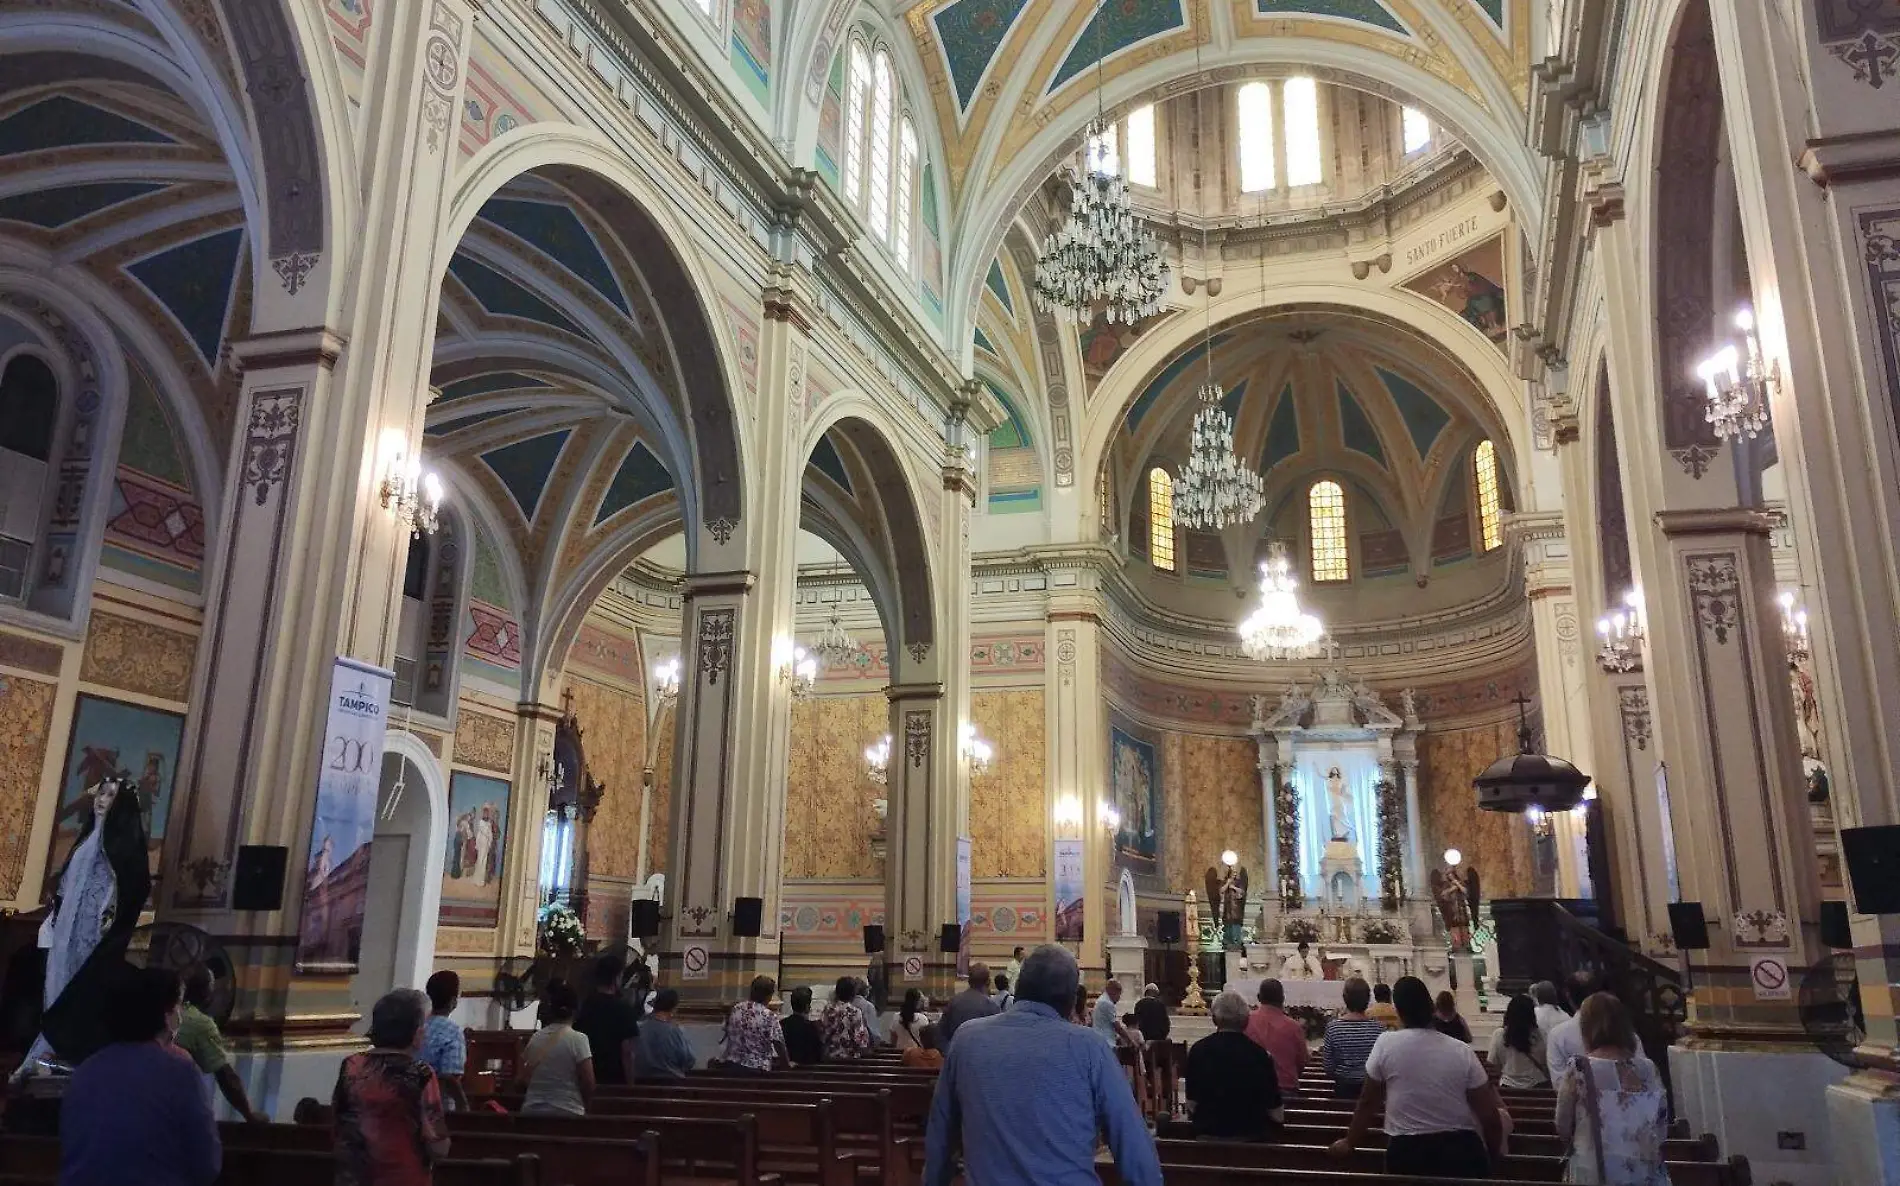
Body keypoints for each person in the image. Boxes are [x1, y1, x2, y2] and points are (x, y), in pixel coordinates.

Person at [922, 944, 1162, 1186]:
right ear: (1071, 1002)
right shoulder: (1091, 1048)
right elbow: (1135, 1151)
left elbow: (940, 1139)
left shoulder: (966, 1040)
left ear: (1018, 988)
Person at [23, 778, 152, 1076]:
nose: (101, 800)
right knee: (58, 982)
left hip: (93, 934)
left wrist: (107, 918)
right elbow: (68, 885)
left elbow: (130, 887)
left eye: (110, 795)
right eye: (101, 793)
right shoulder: (85, 841)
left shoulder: (122, 847)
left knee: (81, 986)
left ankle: (72, 1054)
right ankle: (48, 1051)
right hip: (68, 925)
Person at [59, 965, 220, 1186]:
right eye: (178, 1005)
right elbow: (207, 1164)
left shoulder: (85, 1071)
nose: (180, 1013)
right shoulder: (179, 1073)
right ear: (166, 1014)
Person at [1331, 975, 1504, 1179]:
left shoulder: (1386, 1043)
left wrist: (1350, 1142)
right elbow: (1489, 1115)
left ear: (1399, 1011)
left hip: (1407, 1150)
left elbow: (1369, 1101)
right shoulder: (1462, 1050)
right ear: (1431, 1007)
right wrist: (1492, 1156)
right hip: (1461, 1149)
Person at [333, 988, 451, 1186]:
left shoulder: (351, 1065)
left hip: (355, 1177)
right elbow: (438, 1146)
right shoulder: (420, 1073)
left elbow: (339, 1123)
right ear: (415, 1032)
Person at [1555, 993, 1672, 1186]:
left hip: (1594, 1170)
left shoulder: (1579, 1069)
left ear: (1586, 1028)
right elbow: (1661, 1124)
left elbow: (1563, 1124)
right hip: (1643, 1170)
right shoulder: (1648, 1069)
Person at [1186, 990, 1285, 1139]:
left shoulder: (1198, 1051)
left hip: (1208, 1143)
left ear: (1214, 1019)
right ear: (1246, 1020)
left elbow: (1191, 1105)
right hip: (1253, 1145)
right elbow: (1276, 1114)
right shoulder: (1259, 1055)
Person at [171, 964, 264, 1123]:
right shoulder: (201, 1023)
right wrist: (249, 1114)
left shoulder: (158, 1011)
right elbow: (226, 1076)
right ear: (206, 993)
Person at [517, 981, 594, 1115]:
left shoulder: (536, 1038)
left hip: (532, 1113)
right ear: (575, 1012)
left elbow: (522, 1078)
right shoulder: (579, 1039)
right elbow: (588, 1082)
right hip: (568, 1112)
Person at [574, 954, 641, 1086]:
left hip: (588, 1075)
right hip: (615, 1079)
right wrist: (631, 1084)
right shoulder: (623, 1008)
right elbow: (627, 1051)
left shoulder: (585, 1005)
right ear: (616, 978)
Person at [1322, 978, 1387, 1099]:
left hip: (1343, 1089)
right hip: (1372, 1091)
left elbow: (1328, 1067)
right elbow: (1382, 1066)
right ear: (1368, 999)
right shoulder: (1379, 1028)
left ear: (1345, 998)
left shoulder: (1333, 1028)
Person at [1243, 978, 1307, 1094]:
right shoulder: (1294, 1027)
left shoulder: (1245, 1021)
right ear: (1283, 999)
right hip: (1285, 1088)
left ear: (1258, 997)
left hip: (1252, 1089)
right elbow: (1301, 1062)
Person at [418, 970, 469, 1111]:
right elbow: (450, 1076)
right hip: (438, 1107)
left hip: (411, 1101)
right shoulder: (452, 1031)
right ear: (453, 1001)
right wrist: (462, 1104)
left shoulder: (418, 1025)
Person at [720, 974, 788, 1071]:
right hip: (757, 1069)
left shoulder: (736, 1009)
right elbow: (779, 1044)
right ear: (769, 995)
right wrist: (786, 1065)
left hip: (733, 1067)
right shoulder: (769, 1016)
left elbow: (727, 1033)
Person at [1489, 995, 1551, 1089]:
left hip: (1508, 1086)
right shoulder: (1541, 1035)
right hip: (1538, 1086)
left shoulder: (1499, 1034)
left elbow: (1493, 1062)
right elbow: (1547, 1061)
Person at [632, 988, 696, 1078]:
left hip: (641, 1083)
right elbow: (689, 1060)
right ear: (673, 1009)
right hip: (671, 1084)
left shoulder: (638, 1028)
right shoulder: (674, 1031)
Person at [937, 961, 999, 1048]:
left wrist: (948, 1053)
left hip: (956, 1053)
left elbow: (940, 1032)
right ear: (988, 982)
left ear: (969, 981)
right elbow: (996, 1039)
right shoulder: (991, 1006)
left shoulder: (954, 1001)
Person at [820, 975, 875, 1060]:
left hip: (830, 1059)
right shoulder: (855, 1012)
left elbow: (823, 1035)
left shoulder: (828, 1010)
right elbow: (860, 1041)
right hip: (850, 1060)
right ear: (853, 994)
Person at [781, 985, 824, 1066]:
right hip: (808, 1073)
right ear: (808, 1007)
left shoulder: (782, 1024)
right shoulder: (813, 1028)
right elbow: (818, 1056)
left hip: (785, 1071)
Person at [1091, 978, 1139, 1048]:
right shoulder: (1107, 1003)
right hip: (1107, 1041)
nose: (1119, 998)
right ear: (1112, 991)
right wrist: (1130, 1041)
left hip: (1100, 1040)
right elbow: (1117, 1026)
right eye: (1118, 995)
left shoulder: (1101, 1000)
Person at [852, 976, 883, 1041]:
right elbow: (873, 1031)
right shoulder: (869, 1006)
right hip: (865, 1043)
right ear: (865, 990)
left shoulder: (847, 1005)